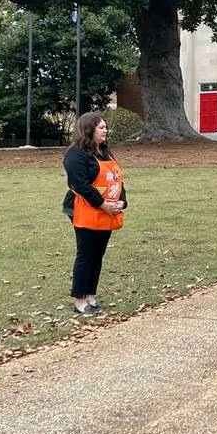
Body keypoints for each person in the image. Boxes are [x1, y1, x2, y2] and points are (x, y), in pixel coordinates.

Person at [63, 112, 126, 314]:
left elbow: (117, 180)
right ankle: (79, 299)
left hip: (107, 210)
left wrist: (122, 201)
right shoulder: (75, 154)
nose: (105, 130)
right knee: (86, 254)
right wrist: (103, 204)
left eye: (106, 127)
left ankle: (91, 295)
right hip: (84, 209)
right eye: (101, 127)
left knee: (98, 254)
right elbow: (79, 183)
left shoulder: (106, 152)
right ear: (89, 129)